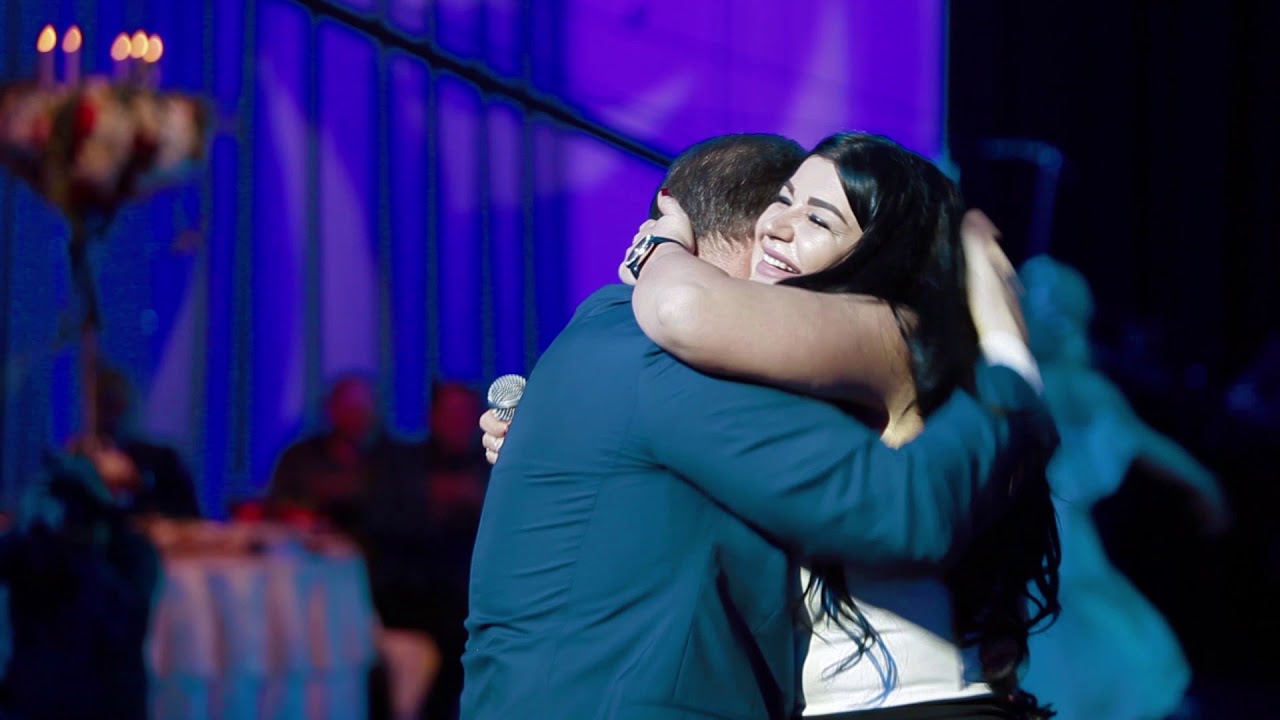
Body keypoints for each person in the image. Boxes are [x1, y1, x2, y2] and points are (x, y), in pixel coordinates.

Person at [463, 133, 1055, 719]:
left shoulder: (884, 334)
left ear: (881, 253)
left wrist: (660, 251)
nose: (782, 227)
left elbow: (683, 309)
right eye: (783, 200)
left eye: (819, 219)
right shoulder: (685, 364)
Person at [1015, 255, 1227, 720]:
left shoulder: (1009, 383)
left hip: (1043, 547)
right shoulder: (1078, 389)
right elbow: (1158, 452)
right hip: (1058, 549)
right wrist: (1205, 488)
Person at [69, 363, 201, 518]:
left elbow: (186, 516)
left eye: (115, 404)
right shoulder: (72, 464)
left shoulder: (162, 459)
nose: (110, 416)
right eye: (104, 404)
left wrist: (137, 482)